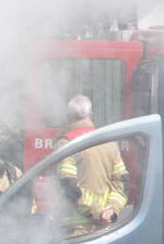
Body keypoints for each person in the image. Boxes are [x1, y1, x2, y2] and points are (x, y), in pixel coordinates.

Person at [55, 95, 128, 236]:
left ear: (68, 116)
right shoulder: (109, 143)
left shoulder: (67, 143)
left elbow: (69, 186)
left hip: (77, 231)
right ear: (91, 115)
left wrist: (97, 211)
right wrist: (111, 210)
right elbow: (122, 183)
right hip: (106, 229)